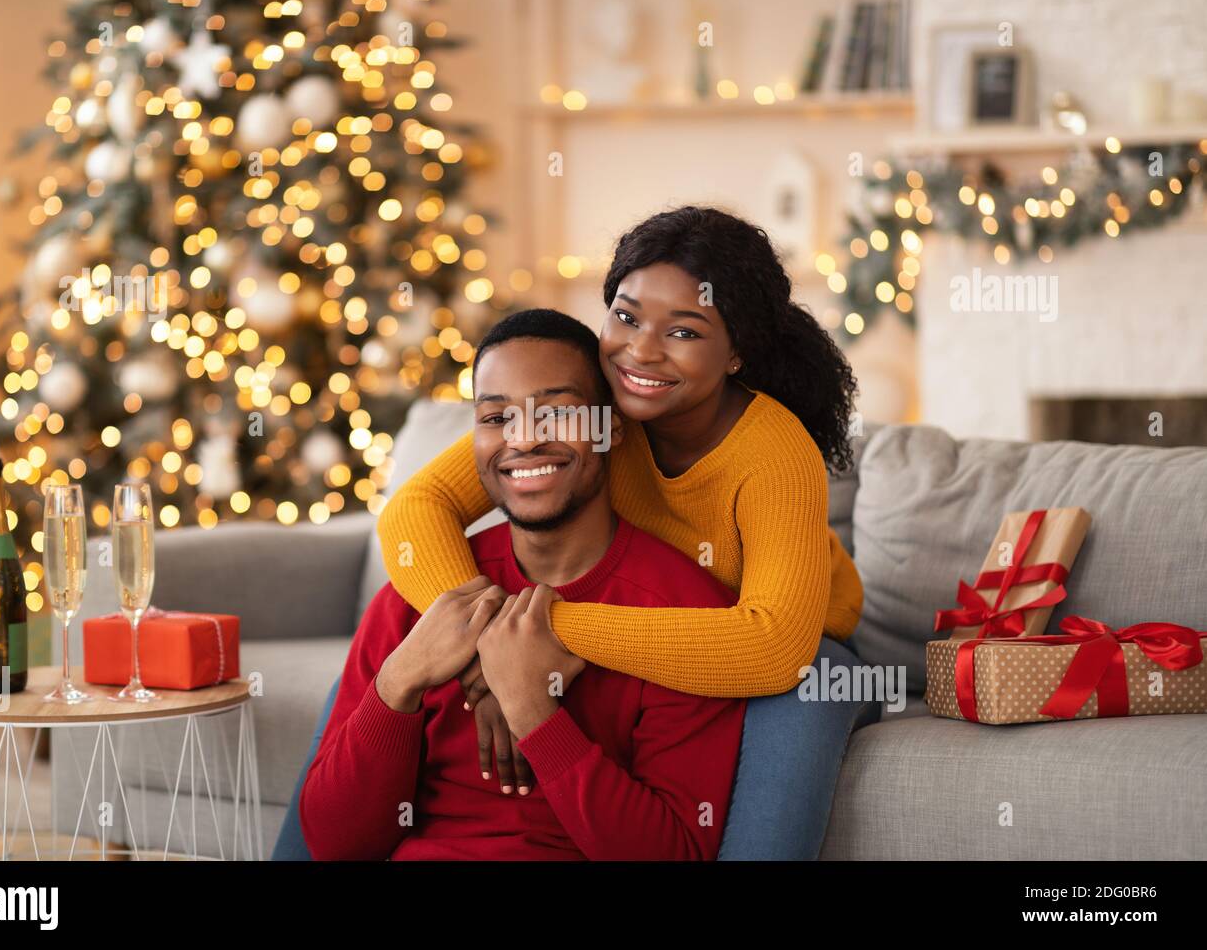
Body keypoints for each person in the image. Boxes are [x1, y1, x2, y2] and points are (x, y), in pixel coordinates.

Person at [273, 206, 876, 861]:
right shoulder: (598, 401)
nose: (642, 349)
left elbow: (769, 647)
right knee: (391, 666)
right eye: (626, 315)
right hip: (621, 605)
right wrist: (480, 645)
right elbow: (417, 507)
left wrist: (534, 644)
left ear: (736, 352)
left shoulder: (771, 449)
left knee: (801, 698)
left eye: (684, 330)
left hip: (786, 634)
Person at [298, 309, 745, 860]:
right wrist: (399, 683)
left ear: (613, 426)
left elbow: (673, 853)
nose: (524, 440)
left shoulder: (687, 615)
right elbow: (331, 846)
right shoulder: (415, 601)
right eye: (496, 417)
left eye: (557, 411)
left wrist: (534, 710)